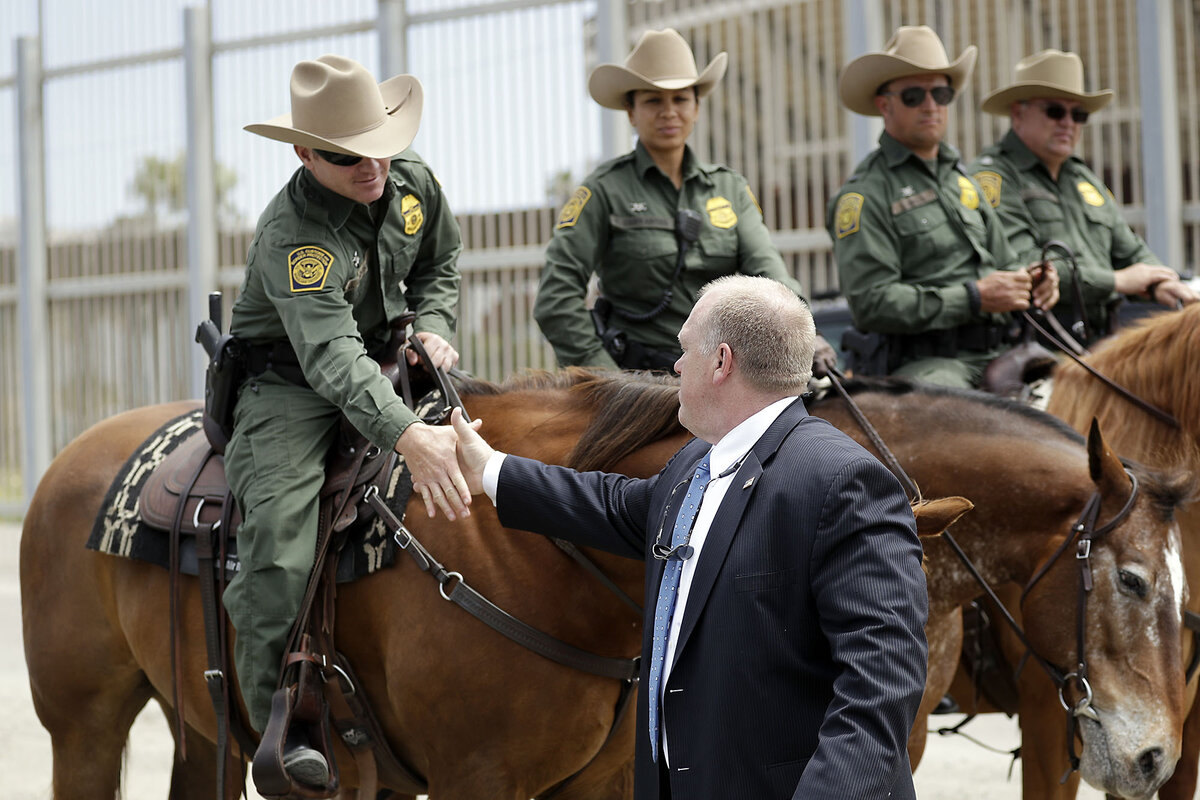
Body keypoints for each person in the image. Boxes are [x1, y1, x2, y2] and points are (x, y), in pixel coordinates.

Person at [452, 275, 928, 799]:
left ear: (721, 362)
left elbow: (880, 689)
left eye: (683, 351)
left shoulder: (844, 482)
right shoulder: (695, 465)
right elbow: (611, 504)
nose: (675, 367)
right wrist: (489, 470)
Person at [225, 54, 473, 785]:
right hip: (293, 385)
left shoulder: (413, 180)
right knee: (278, 547)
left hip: (395, 358)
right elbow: (331, 359)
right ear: (305, 153)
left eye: (378, 144)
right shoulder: (293, 236)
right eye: (345, 154)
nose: (371, 166)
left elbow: (441, 260)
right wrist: (406, 434)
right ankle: (282, 726)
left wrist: (431, 322)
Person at [534, 28, 837, 375]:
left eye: (680, 99)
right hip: (639, 383)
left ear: (696, 108)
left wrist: (805, 332)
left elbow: (770, 275)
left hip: (725, 379)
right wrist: (606, 380)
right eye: (652, 101)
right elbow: (555, 300)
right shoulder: (604, 191)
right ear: (631, 113)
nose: (668, 112)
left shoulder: (729, 188)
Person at [827, 26, 1060, 388]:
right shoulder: (865, 195)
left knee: (1083, 394)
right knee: (963, 422)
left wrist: (1031, 282)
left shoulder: (962, 180)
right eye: (914, 95)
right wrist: (973, 298)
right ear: (884, 105)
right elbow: (872, 302)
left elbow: (1005, 260)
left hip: (1000, 351)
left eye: (941, 93)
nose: (931, 105)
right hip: (927, 365)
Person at [971, 49, 1198, 345]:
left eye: (1078, 114)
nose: (1069, 122)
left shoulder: (1082, 178)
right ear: (1018, 113)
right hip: (1039, 343)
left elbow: (1129, 249)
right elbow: (1024, 266)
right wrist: (1118, 281)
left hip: (1101, 336)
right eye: (1055, 111)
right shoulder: (994, 178)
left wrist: (1160, 284)